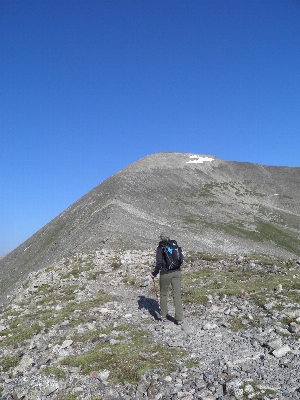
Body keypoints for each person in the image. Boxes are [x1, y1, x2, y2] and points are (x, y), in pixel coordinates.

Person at [151, 232, 183, 325]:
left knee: (163, 294)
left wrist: (154, 273)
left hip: (166, 273)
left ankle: (164, 315)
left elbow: (159, 262)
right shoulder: (175, 245)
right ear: (169, 237)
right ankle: (179, 318)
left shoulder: (161, 247)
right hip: (177, 272)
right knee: (177, 295)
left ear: (161, 238)